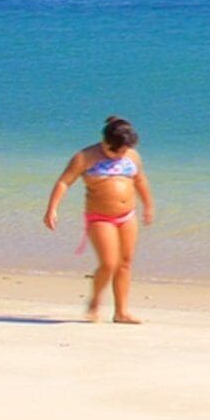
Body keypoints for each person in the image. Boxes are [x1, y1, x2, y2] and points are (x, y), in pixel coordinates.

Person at [41, 115, 155, 323]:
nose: (120, 155)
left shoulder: (132, 156)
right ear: (105, 142)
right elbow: (64, 182)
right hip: (100, 217)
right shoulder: (85, 157)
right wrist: (52, 209)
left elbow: (140, 180)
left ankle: (121, 311)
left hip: (128, 215)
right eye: (116, 151)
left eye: (124, 151)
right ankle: (95, 301)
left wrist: (148, 205)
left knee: (126, 262)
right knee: (109, 263)